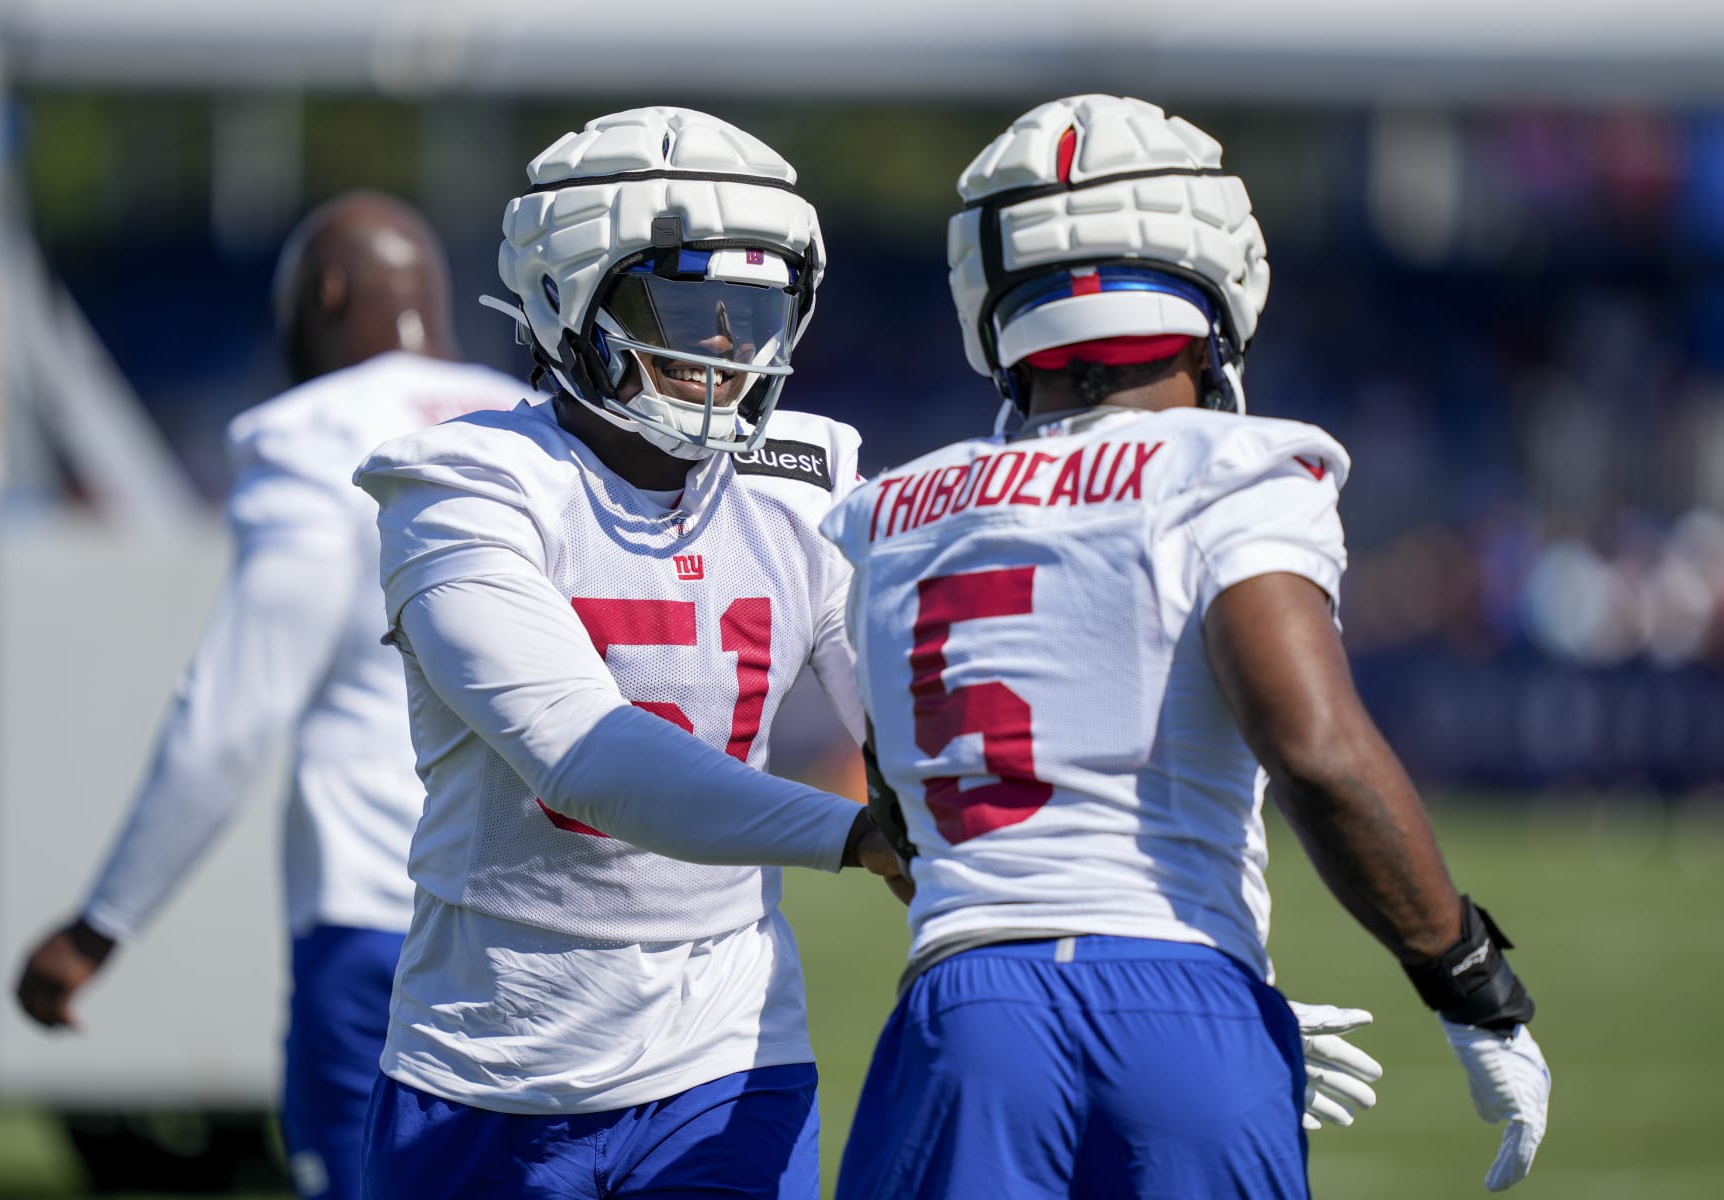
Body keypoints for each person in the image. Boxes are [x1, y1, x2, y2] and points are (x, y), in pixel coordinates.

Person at [821, 95, 1551, 1199]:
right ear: (1217, 267)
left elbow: (909, 823)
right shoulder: (1237, 467)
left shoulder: (889, 512)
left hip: (963, 1011)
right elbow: (1315, 750)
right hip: (1185, 1011)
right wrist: (1469, 981)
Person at [350, 107, 901, 1200]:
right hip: (491, 1060)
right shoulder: (463, 486)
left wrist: (1152, 947)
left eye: (757, 307)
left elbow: (919, 733)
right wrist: (852, 836)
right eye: (687, 303)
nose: (731, 343)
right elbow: (585, 758)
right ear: (567, 295)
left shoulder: (807, 479)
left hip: (729, 1057)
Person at [13, 192, 535, 1200]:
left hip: (382, 937)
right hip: (548, 939)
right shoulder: (535, 429)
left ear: (327, 294)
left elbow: (229, 720)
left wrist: (97, 928)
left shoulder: (314, 436)